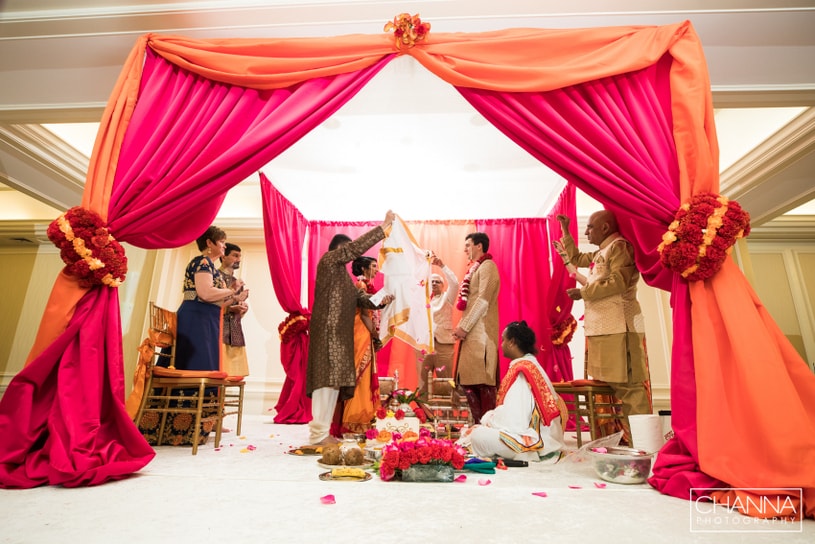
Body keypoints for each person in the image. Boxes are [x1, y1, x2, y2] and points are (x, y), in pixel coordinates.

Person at [141, 226, 248, 446]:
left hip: (208, 319)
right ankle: (178, 427)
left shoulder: (211, 267)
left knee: (208, 367)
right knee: (196, 367)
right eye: (222, 243)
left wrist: (237, 298)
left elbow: (217, 301)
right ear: (209, 243)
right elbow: (205, 293)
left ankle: (197, 427)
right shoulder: (201, 262)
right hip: (195, 319)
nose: (224, 246)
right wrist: (232, 291)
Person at [306, 211, 396, 446]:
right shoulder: (327, 262)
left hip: (340, 338)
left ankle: (323, 433)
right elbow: (352, 250)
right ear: (338, 250)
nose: (351, 254)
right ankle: (317, 435)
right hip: (327, 333)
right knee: (324, 383)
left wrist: (389, 297)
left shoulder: (345, 279)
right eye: (348, 250)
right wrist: (382, 228)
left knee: (333, 384)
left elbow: (365, 300)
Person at [554, 211, 651, 417]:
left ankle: (644, 446)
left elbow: (618, 282)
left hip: (620, 327)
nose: (586, 232)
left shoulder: (620, 247)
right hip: (605, 329)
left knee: (629, 388)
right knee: (617, 388)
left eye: (589, 227)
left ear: (605, 228)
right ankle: (629, 442)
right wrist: (565, 231)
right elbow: (577, 258)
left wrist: (584, 292)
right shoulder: (603, 251)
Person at [461, 321, 565, 463]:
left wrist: (489, 418)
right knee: (475, 432)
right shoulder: (531, 365)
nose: (501, 344)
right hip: (540, 436)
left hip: (532, 441)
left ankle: (523, 453)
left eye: (503, 340)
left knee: (477, 436)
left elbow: (515, 422)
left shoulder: (522, 371)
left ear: (512, 342)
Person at [452, 232, 500, 424]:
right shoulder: (476, 268)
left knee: (483, 382)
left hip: (482, 333)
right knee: (469, 382)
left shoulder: (488, 266)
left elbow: (482, 301)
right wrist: (463, 327)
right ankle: (477, 427)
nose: (465, 250)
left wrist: (463, 326)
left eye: (468, 245)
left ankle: (486, 428)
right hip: (472, 333)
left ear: (479, 246)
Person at [336, 256, 383, 434]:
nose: (376, 270)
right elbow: (364, 315)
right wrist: (375, 335)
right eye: (373, 266)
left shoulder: (362, 286)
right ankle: (356, 419)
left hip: (360, 332)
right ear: (363, 269)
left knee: (361, 375)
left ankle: (359, 417)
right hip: (361, 332)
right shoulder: (361, 286)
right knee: (361, 377)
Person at [417, 253, 459, 395]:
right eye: (432, 282)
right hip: (424, 346)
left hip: (443, 345)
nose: (434, 284)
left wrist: (442, 266)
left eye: (437, 282)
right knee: (422, 383)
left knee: (445, 382)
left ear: (443, 285)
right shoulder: (422, 301)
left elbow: (454, 283)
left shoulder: (447, 298)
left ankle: (445, 414)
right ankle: (423, 414)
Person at [219, 242, 249, 379]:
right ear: (223, 257)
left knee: (232, 376)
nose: (238, 259)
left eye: (239, 256)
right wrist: (231, 307)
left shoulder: (237, 281)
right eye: (235, 255)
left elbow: (236, 311)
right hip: (219, 329)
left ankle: (221, 400)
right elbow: (214, 305)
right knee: (219, 371)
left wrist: (242, 310)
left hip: (235, 331)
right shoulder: (215, 276)